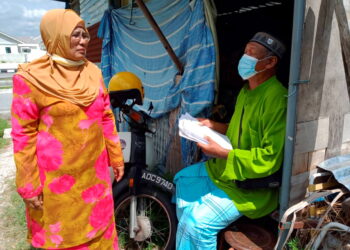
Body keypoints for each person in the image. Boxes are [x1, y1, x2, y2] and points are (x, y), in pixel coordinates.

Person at [11, 9, 124, 249]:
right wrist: (28, 185)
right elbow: (23, 135)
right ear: (56, 36)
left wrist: (116, 157)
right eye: (76, 35)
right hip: (57, 184)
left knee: (99, 233)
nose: (84, 40)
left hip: (94, 177)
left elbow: (105, 116)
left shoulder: (92, 73)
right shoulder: (31, 79)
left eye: (85, 35)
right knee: (65, 239)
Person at [174, 32, 287, 249]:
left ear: (270, 62)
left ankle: (196, 234)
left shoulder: (276, 99)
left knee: (196, 222)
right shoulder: (246, 92)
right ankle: (194, 239)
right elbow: (238, 130)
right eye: (245, 52)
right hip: (223, 170)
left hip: (249, 186)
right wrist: (211, 125)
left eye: (251, 54)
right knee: (182, 179)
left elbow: (269, 159)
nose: (244, 59)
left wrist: (223, 153)